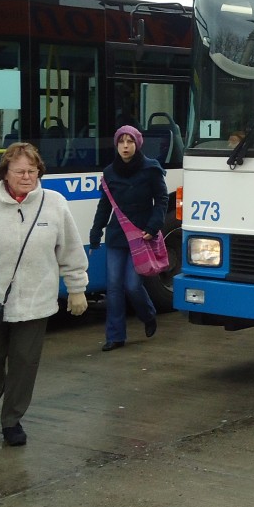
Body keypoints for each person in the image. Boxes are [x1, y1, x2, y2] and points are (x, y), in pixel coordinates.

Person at [0, 142, 89, 447]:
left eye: (32, 171)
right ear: (5, 173)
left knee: (25, 362)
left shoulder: (55, 204)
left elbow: (72, 251)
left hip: (36, 303)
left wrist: (77, 288)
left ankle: (12, 420)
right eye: (20, 171)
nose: (27, 177)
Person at [90, 124, 167, 351]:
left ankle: (148, 315)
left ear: (137, 144)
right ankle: (115, 336)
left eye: (130, 141)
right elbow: (104, 206)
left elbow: (162, 200)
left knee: (132, 285)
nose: (125, 146)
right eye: (121, 142)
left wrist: (153, 227)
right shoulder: (109, 173)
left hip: (141, 235)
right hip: (116, 235)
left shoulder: (151, 169)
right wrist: (95, 233)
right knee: (113, 287)